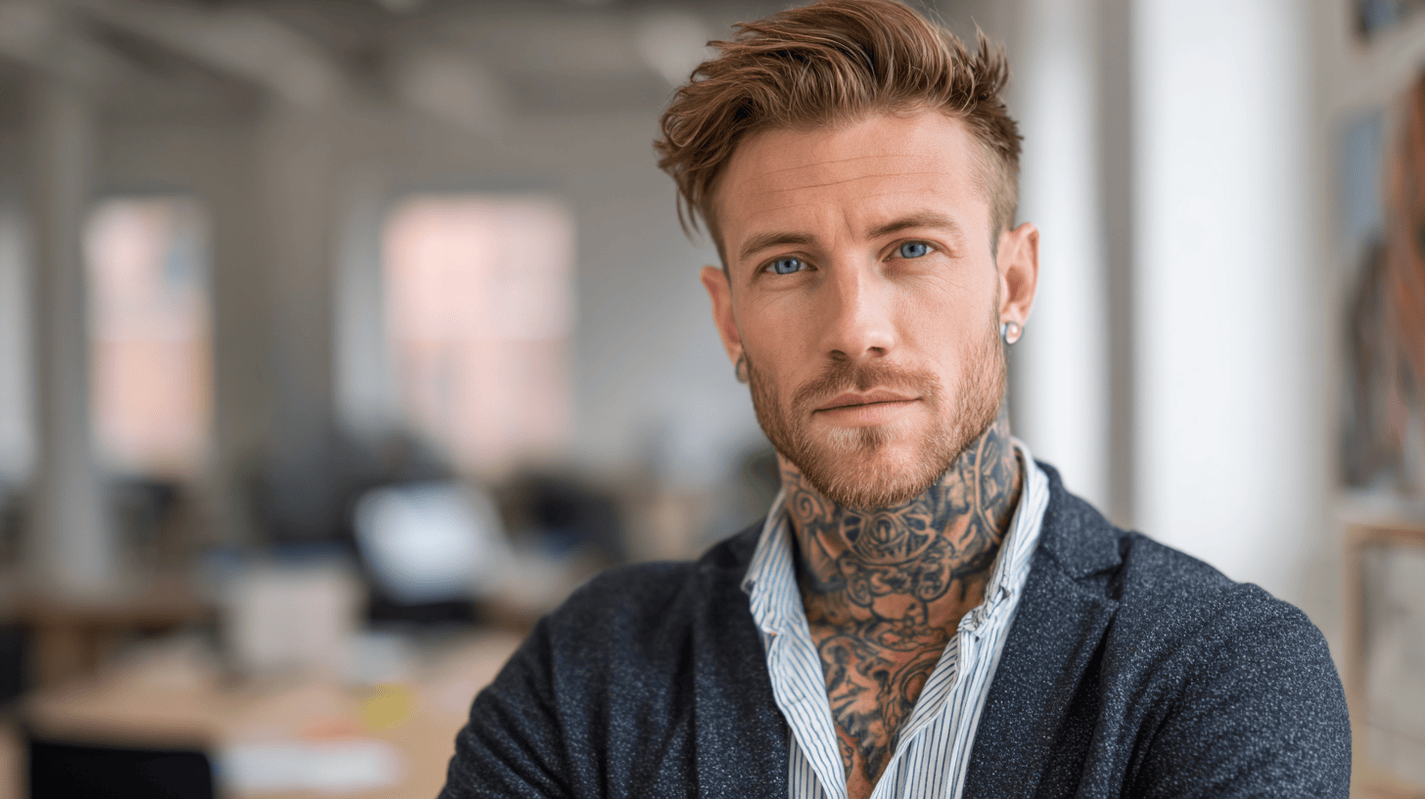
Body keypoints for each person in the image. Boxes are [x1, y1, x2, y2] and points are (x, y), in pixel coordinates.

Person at [439, 1, 1351, 796]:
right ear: (730, 321)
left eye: (910, 248)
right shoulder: (585, 671)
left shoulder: (1219, 670)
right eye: (788, 264)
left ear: (1015, 281)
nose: (854, 328)